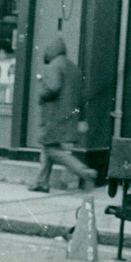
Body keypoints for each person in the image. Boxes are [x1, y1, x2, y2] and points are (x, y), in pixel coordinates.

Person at [28, 36, 96, 193]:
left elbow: (52, 88)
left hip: (54, 116)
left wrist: (41, 92)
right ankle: (41, 182)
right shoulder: (73, 67)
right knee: (47, 147)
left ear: (51, 51)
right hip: (68, 116)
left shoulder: (54, 66)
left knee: (52, 150)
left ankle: (85, 172)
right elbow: (81, 95)